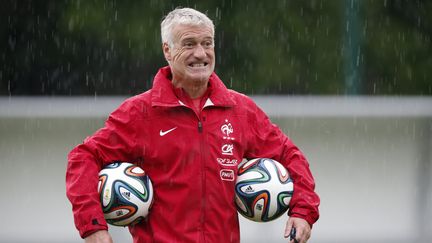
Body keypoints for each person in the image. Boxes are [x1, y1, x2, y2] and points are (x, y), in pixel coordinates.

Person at [66, 7, 320, 243]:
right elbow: (84, 157)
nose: (201, 53)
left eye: (207, 44)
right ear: (167, 50)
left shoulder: (240, 110)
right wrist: (94, 226)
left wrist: (303, 210)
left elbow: (290, 156)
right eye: (189, 44)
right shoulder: (139, 113)